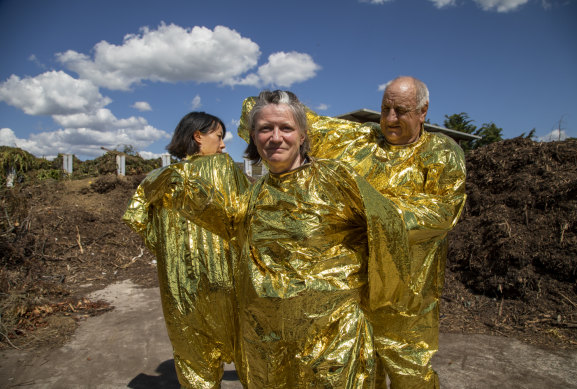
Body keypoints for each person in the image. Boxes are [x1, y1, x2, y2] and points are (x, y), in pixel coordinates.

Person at [144, 90, 411, 388]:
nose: (275, 137)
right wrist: (174, 185)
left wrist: (383, 305)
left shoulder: (335, 179)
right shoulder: (254, 196)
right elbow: (225, 222)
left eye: (286, 128)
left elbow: (390, 228)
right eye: (265, 129)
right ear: (254, 138)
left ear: (302, 135)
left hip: (334, 348)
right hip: (269, 349)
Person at [305, 76, 467, 388]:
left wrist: (372, 213)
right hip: (354, 293)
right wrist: (271, 106)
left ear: (423, 111)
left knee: (411, 376)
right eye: (385, 109)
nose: (390, 119)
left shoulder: (440, 152)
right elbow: (307, 125)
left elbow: (443, 212)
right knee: (360, 374)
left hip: (406, 298)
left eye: (401, 111)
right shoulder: (361, 141)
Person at [123, 112, 250, 389]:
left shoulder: (158, 178)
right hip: (227, 283)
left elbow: (138, 221)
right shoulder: (224, 168)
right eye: (219, 137)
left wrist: (172, 252)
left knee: (194, 360)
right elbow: (246, 220)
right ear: (198, 136)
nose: (224, 146)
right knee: (249, 352)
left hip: (178, 286)